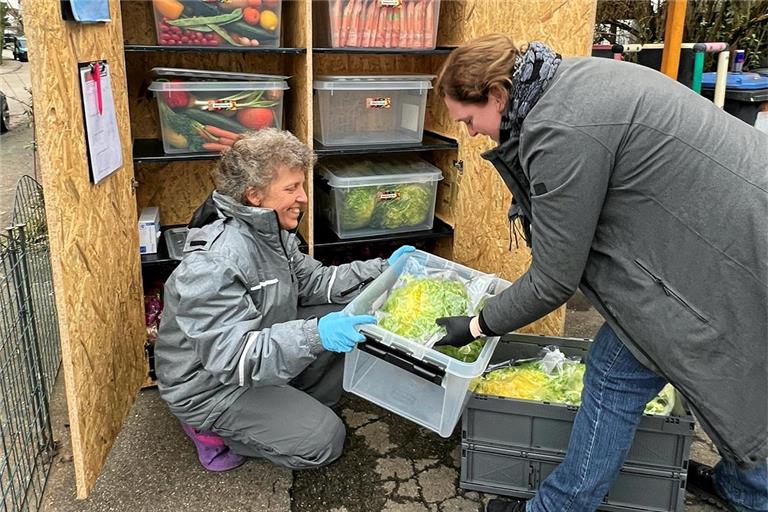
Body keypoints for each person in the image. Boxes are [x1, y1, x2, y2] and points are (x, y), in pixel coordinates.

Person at [433, 34, 767, 512]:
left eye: (469, 120)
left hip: (733, 247)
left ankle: (560, 507)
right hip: (731, 226)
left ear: (499, 96)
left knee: (618, 372)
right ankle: (748, 487)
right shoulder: (565, 78)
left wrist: (476, 325)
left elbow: (554, 280)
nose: (470, 132)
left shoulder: (559, 131)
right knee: (736, 367)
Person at [155, 128, 414, 471]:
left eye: (301, 185)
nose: (304, 197)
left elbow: (315, 282)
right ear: (254, 195)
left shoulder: (270, 232)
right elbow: (232, 358)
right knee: (324, 441)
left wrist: (381, 270)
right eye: (291, 188)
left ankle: (284, 410)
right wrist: (315, 334)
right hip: (211, 386)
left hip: (250, 353)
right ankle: (213, 431)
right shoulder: (215, 262)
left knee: (348, 312)